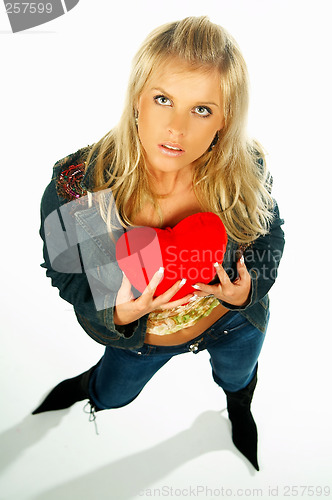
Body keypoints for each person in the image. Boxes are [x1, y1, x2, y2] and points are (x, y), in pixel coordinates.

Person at [32, 16, 285, 471]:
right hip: (141, 340)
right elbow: (65, 273)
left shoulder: (246, 167)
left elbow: (271, 234)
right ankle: (88, 390)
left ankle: (238, 409)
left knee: (238, 377)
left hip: (235, 323)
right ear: (136, 99)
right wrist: (119, 313)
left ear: (225, 119)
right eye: (163, 99)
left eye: (202, 109)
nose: (176, 127)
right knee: (112, 395)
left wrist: (246, 291)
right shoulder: (79, 185)